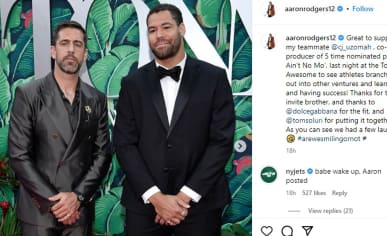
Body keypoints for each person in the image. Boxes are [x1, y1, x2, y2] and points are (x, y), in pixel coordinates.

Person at [113, 3, 235, 236]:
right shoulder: (132, 84)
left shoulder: (214, 78)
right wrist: (156, 198)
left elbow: (221, 141)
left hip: (201, 204)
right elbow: (124, 143)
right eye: (152, 30)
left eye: (166, 27)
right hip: (144, 205)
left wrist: (184, 197)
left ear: (182, 29)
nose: (159, 35)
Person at [8, 20, 111, 236]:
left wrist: (77, 197)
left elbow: (102, 154)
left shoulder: (97, 99)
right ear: (53, 51)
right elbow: (19, 155)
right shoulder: (28, 94)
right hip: (40, 211)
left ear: (85, 54)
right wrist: (55, 202)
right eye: (64, 43)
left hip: (78, 210)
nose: (71, 50)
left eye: (78, 44)